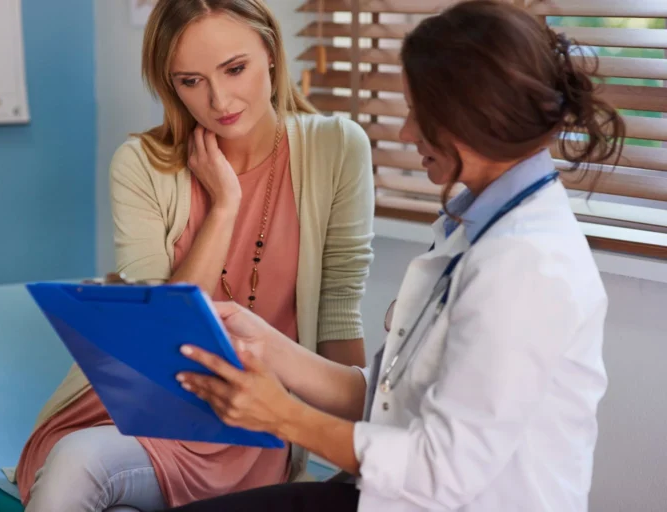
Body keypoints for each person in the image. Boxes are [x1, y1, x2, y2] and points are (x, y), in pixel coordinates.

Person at [172, 1, 625, 511]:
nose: (406, 133)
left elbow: (441, 470)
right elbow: (386, 400)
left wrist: (281, 415)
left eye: (418, 114)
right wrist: (267, 346)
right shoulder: (476, 223)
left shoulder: (526, 264)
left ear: (473, 117)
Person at [13, 1, 375, 510]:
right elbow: (159, 334)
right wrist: (225, 206)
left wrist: (352, 451)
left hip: (254, 424)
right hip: (140, 410)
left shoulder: (337, 148)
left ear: (269, 52)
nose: (219, 99)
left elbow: (338, 309)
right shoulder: (140, 165)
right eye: (191, 81)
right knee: (78, 460)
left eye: (235, 69)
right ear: (170, 86)